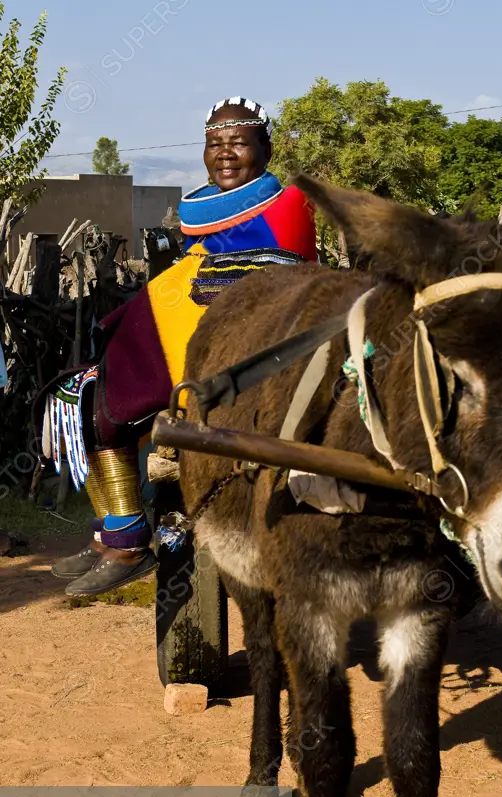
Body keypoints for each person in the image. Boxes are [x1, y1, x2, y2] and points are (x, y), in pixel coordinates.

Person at [45, 96, 317, 595]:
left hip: (244, 351)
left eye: (238, 142)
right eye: (215, 144)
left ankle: (126, 538)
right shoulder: (201, 208)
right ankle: (117, 531)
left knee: (110, 390)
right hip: (183, 337)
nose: (225, 153)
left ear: (266, 147)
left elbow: (278, 281)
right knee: (79, 393)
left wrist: (193, 287)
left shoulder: (287, 204)